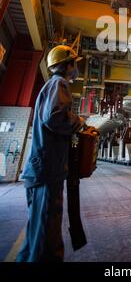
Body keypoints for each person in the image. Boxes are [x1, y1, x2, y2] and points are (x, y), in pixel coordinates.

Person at [16, 45, 85, 262]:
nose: (77, 68)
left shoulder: (51, 85)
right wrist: (79, 123)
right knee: (46, 238)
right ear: (68, 65)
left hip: (42, 170)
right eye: (75, 63)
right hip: (47, 171)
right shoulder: (59, 84)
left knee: (36, 236)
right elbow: (55, 118)